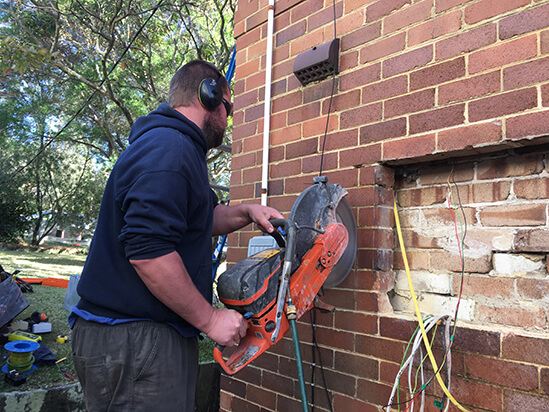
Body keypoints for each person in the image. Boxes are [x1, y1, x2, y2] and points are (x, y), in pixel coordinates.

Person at [69, 60, 283, 411]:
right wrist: (211, 319)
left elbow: (200, 219)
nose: (228, 122)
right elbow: (149, 252)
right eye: (228, 108)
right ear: (209, 96)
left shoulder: (177, 148)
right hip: (135, 338)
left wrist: (246, 213)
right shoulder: (170, 149)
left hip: (144, 337)